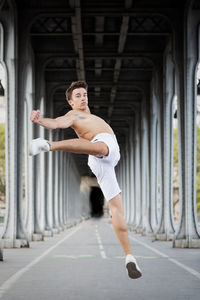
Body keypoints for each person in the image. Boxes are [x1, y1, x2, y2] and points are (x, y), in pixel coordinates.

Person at [29, 80, 142, 279]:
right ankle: (47, 145)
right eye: (78, 96)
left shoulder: (88, 114)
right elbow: (57, 122)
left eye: (85, 95)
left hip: (104, 161)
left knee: (117, 210)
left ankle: (129, 257)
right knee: (99, 147)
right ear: (71, 103)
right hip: (102, 148)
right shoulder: (74, 115)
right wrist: (40, 121)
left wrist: (80, 89)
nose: (83, 98)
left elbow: (80, 105)